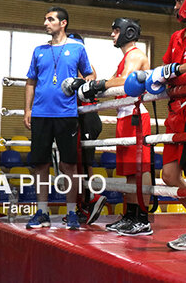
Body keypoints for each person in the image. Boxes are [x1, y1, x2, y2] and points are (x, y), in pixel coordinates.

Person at [125, 0, 186, 250]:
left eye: (179, 1)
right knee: (168, 175)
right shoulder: (177, 37)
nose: (176, 7)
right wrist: (155, 76)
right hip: (175, 110)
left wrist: (173, 70)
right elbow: (166, 67)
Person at [76, 18, 154, 236]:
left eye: (116, 31)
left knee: (139, 171)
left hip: (136, 117)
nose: (112, 35)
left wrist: (97, 85)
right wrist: (89, 87)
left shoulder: (136, 55)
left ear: (128, 32)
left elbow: (123, 81)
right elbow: (111, 82)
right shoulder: (125, 58)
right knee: (129, 172)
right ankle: (130, 216)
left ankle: (142, 219)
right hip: (125, 117)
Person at [24, 7, 94, 231]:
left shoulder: (77, 48)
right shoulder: (39, 50)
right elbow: (31, 82)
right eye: (45, 19)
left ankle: (72, 212)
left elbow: (90, 75)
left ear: (63, 23)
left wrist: (80, 84)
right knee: (40, 164)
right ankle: (42, 211)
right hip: (40, 114)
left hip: (66, 114)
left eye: (50, 19)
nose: (46, 23)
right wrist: (27, 110)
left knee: (68, 165)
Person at [65, 33, 106, 226]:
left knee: (85, 162)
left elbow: (90, 79)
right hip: (77, 118)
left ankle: (93, 198)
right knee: (76, 163)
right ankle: (83, 205)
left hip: (88, 118)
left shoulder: (85, 67)